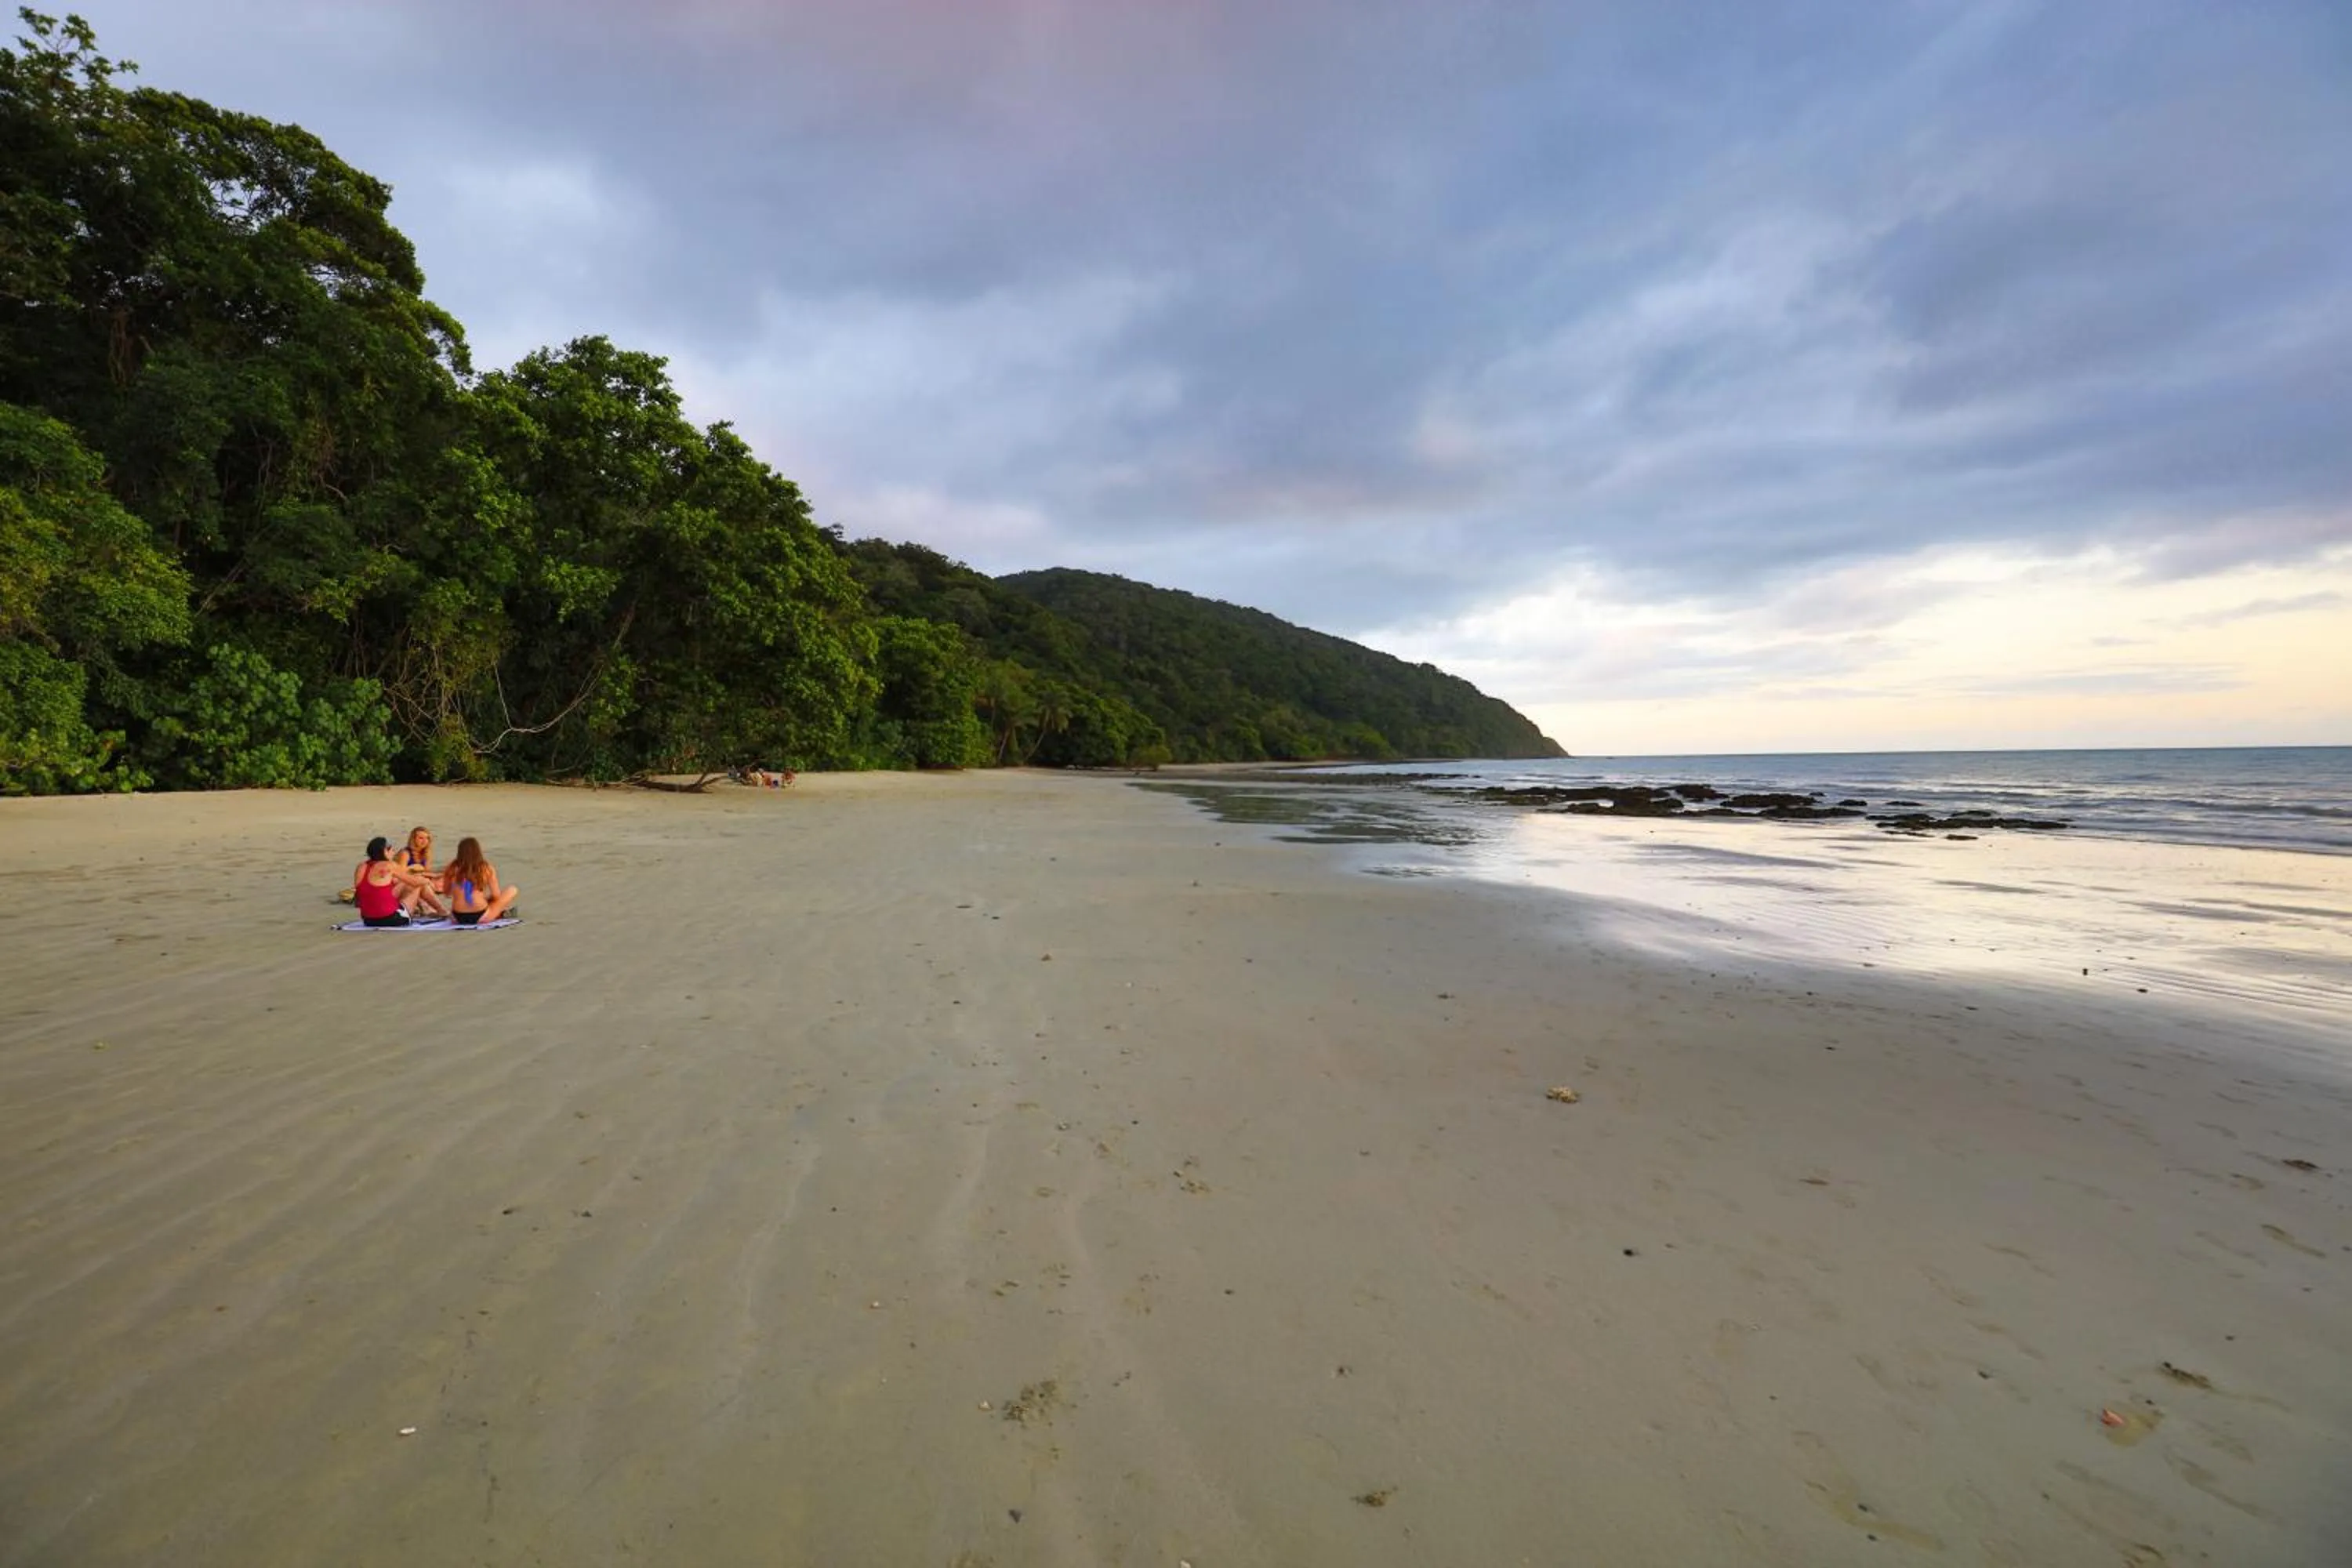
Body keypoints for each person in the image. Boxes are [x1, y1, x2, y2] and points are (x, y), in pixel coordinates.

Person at [352, 837, 440, 927]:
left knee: (406, 883)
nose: (394, 853)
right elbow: (416, 883)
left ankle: (427, 908)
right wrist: (428, 880)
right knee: (418, 885)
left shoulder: (361, 866)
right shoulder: (389, 865)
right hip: (392, 919)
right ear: (385, 851)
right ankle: (441, 911)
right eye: (392, 850)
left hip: (368, 920)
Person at [437, 836, 521, 925]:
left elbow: (447, 892)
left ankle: (498, 914)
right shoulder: (486, 868)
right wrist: (487, 900)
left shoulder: (451, 868)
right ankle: (499, 914)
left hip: (457, 917)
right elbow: (496, 896)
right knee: (512, 890)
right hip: (481, 916)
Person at [392, 826, 451, 919]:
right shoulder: (405, 853)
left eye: (427, 838)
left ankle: (429, 908)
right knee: (421, 882)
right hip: (399, 885)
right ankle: (433, 909)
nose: (424, 841)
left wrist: (431, 876)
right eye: (420, 838)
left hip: (414, 881)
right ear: (413, 839)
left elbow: (425, 872)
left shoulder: (426, 853)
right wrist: (417, 870)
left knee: (429, 881)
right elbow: (400, 875)